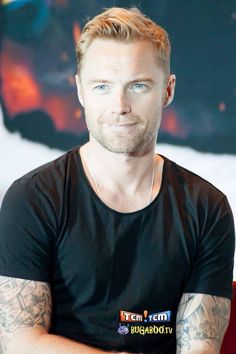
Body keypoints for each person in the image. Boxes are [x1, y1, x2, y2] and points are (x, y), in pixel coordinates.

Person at [0, 6, 235, 354]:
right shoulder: (33, 198)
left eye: (138, 86)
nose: (119, 105)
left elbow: (199, 347)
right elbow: (17, 341)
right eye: (102, 87)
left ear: (167, 91)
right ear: (80, 90)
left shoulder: (207, 209)